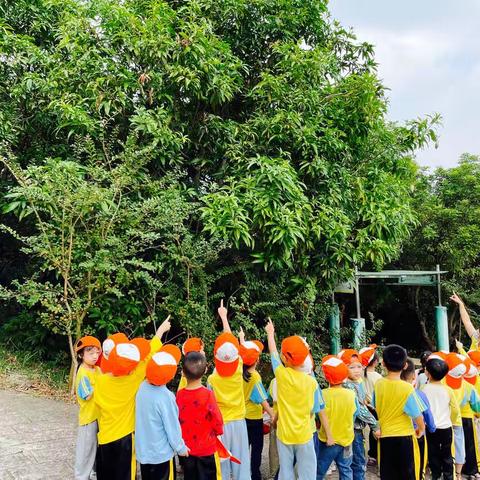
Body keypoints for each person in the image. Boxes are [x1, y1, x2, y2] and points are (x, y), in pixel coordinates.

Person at [94, 317, 171, 480]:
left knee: (106, 474)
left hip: (105, 436)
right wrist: (160, 331)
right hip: (125, 438)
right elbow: (149, 356)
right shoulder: (134, 378)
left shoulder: (100, 380)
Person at [264, 318, 331, 480]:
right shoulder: (312, 383)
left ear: (286, 359)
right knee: (307, 472)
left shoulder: (281, 375)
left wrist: (270, 334)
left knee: (286, 471)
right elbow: (314, 410)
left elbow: (273, 355)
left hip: (284, 434)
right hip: (304, 434)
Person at [207, 300, 251, 480]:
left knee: (222, 465)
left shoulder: (212, 379)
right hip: (239, 422)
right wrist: (224, 318)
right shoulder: (239, 367)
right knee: (242, 464)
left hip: (221, 426)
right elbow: (231, 344)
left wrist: (222, 316)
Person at [373, 344, 426, 480]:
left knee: (388, 475)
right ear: (405, 366)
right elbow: (417, 414)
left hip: (385, 438)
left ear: (383, 363)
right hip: (405, 438)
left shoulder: (378, 384)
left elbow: (376, 406)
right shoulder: (407, 388)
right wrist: (421, 428)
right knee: (408, 475)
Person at [135, 344, 188, 479]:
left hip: (144, 453)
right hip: (161, 455)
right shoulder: (166, 397)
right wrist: (181, 448)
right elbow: (172, 427)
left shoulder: (141, 388)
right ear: (170, 375)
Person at [176, 351, 224, 479]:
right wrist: (218, 431)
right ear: (205, 370)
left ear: (183, 372)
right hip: (206, 448)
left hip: (187, 449)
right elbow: (217, 419)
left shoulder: (180, 395)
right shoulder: (207, 395)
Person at [239, 328, 274, 480]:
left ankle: (243, 473)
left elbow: (243, 356)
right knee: (256, 449)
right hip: (254, 418)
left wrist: (242, 339)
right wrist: (273, 414)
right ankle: (255, 475)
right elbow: (262, 400)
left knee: (244, 448)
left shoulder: (237, 373)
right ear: (258, 360)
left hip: (241, 417)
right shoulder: (255, 377)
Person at [340, 349, 380, 480]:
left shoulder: (357, 382)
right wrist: (375, 425)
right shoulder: (347, 385)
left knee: (350, 462)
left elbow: (361, 402)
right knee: (357, 462)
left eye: (359, 366)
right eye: (352, 367)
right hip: (352, 430)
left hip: (354, 429)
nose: (357, 370)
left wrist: (366, 403)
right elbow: (359, 409)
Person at [316, 355, 359, 480]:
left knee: (320, 470)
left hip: (328, 440)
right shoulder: (351, 394)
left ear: (326, 377)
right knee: (346, 469)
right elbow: (354, 413)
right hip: (347, 439)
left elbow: (318, 416)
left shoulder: (322, 394)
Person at [422, 356, 460, 480]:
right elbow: (455, 409)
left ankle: (436, 475)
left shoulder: (423, 389)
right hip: (446, 427)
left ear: (427, 373)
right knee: (447, 453)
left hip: (430, 427)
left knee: (433, 453)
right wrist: (452, 421)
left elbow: (421, 409)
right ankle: (449, 476)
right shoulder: (448, 390)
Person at [401, 358, 436, 480]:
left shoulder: (387, 389)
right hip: (416, 435)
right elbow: (426, 415)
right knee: (418, 468)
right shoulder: (419, 394)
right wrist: (431, 428)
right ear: (413, 377)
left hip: (395, 434)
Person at [74, 336, 102, 480]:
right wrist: (102, 387)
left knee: (97, 448)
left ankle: (93, 473)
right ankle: (81, 476)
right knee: (86, 449)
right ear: (81, 355)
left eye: (97, 352)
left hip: (100, 416)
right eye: (90, 353)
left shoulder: (97, 370)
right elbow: (86, 395)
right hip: (89, 418)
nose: (95, 356)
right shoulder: (82, 372)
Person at [443, 352, 469, 480]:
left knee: (443, 446)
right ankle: (458, 474)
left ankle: (445, 471)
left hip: (442, 420)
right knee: (459, 445)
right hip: (457, 420)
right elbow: (470, 402)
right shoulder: (465, 385)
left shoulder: (441, 381)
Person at [359, 345, 382, 465]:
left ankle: (371, 456)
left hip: (364, 405)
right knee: (377, 430)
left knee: (366, 431)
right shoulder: (378, 377)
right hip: (375, 407)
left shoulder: (360, 374)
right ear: (376, 362)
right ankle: (377, 454)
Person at [458, 356, 480, 478]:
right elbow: (477, 406)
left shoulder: (446, 383)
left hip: (453, 419)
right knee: (470, 446)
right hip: (467, 418)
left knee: (457, 445)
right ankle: (471, 470)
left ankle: (457, 472)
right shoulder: (468, 386)